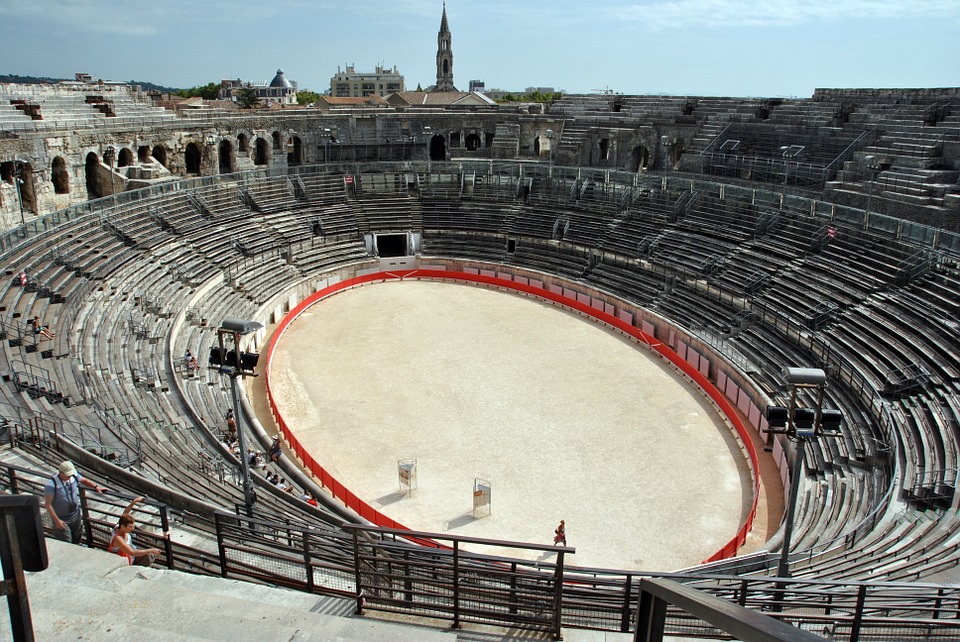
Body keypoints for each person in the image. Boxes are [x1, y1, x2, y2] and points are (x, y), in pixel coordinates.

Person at [44, 461, 106, 544]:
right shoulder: (51, 485)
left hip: (75, 516)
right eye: (67, 474)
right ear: (61, 473)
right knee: (66, 542)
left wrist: (95, 487)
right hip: (62, 519)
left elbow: (83, 480)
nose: (69, 476)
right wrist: (57, 521)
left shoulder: (73, 477)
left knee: (77, 539)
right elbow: (48, 505)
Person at [109, 496, 162, 567]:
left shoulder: (120, 526)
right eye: (130, 527)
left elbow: (125, 513)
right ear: (122, 527)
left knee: (149, 556)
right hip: (126, 560)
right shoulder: (118, 538)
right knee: (149, 554)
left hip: (131, 557)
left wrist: (134, 502)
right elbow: (132, 552)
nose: (132, 528)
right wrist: (151, 550)